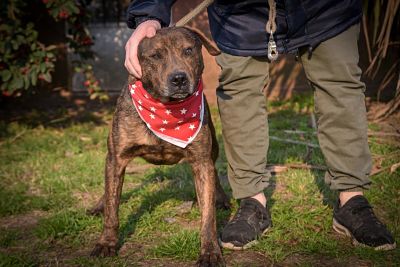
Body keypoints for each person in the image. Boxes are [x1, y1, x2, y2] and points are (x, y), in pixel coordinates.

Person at [124, 0, 396, 251]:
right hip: (240, 12)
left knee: (339, 84)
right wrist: (149, 13)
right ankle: (251, 200)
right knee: (239, 89)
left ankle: (352, 199)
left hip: (325, 7)